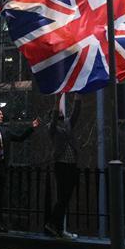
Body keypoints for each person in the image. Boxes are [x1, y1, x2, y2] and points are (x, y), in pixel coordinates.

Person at [44, 97, 81, 238]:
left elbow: (76, 114)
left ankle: (57, 228)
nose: (61, 112)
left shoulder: (67, 124)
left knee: (65, 198)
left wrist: (78, 97)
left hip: (72, 165)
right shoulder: (51, 128)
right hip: (61, 165)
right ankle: (53, 224)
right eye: (58, 112)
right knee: (62, 197)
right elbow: (53, 120)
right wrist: (57, 101)